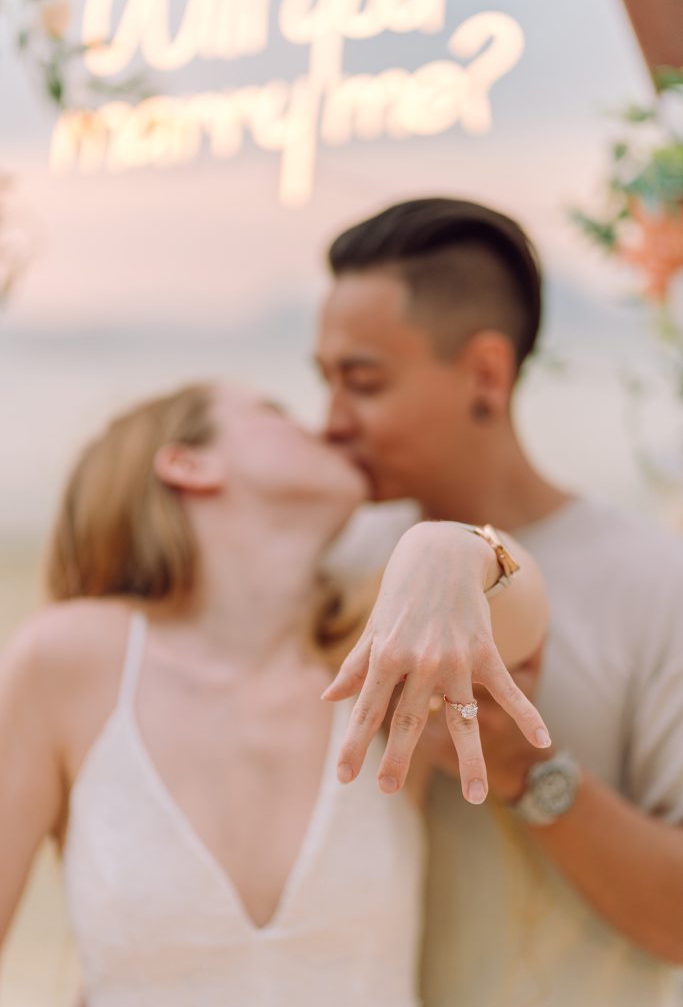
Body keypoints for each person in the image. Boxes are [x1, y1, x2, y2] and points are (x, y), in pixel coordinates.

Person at [0, 380, 547, 1007]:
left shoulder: (383, 657)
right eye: (275, 412)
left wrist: (456, 549)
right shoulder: (67, 662)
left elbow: (526, 626)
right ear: (189, 463)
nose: (327, 425)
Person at [315, 197, 683, 1007]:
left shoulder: (656, 581)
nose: (331, 421)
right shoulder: (333, 565)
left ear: (485, 372)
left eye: (362, 382)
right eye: (324, 381)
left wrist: (528, 772)